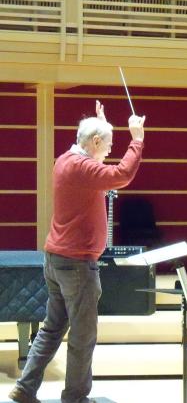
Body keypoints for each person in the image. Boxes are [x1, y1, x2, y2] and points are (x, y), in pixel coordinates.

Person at [9, 101, 145, 403]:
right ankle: (75, 398)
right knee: (83, 337)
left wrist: (102, 123)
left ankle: (25, 388)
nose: (109, 152)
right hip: (77, 264)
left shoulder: (65, 159)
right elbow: (122, 174)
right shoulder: (83, 167)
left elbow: (96, 159)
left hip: (56, 259)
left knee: (52, 329)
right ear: (94, 142)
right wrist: (136, 139)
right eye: (107, 145)